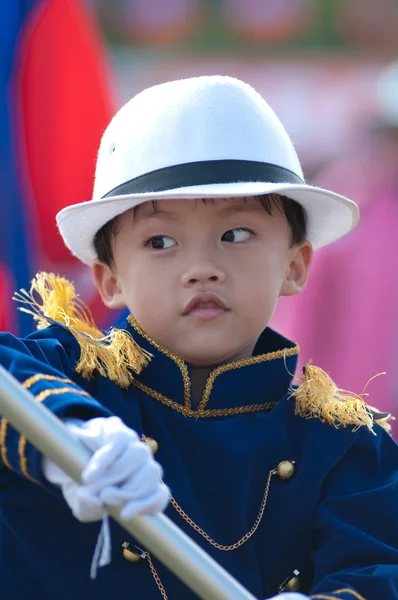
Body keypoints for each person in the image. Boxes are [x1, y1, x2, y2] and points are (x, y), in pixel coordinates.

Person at [0, 75, 397, 600]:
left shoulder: (344, 445)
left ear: (296, 265)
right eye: (160, 241)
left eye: (236, 235)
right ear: (110, 280)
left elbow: (378, 567)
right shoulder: (64, 380)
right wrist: (69, 434)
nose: (201, 269)